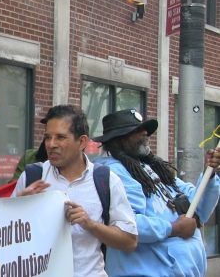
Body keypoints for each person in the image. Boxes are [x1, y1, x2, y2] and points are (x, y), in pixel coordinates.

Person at [11, 105, 138, 277]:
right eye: (48, 137)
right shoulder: (32, 176)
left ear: (82, 142)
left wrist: (90, 224)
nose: (51, 144)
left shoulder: (106, 180)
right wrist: (19, 207)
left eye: (61, 137)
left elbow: (129, 241)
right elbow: (5, 240)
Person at [93, 108, 220, 276]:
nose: (145, 133)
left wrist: (210, 174)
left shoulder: (151, 167)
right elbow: (128, 223)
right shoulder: (114, 172)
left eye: (144, 129)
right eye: (137, 130)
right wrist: (174, 228)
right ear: (119, 139)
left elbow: (199, 207)